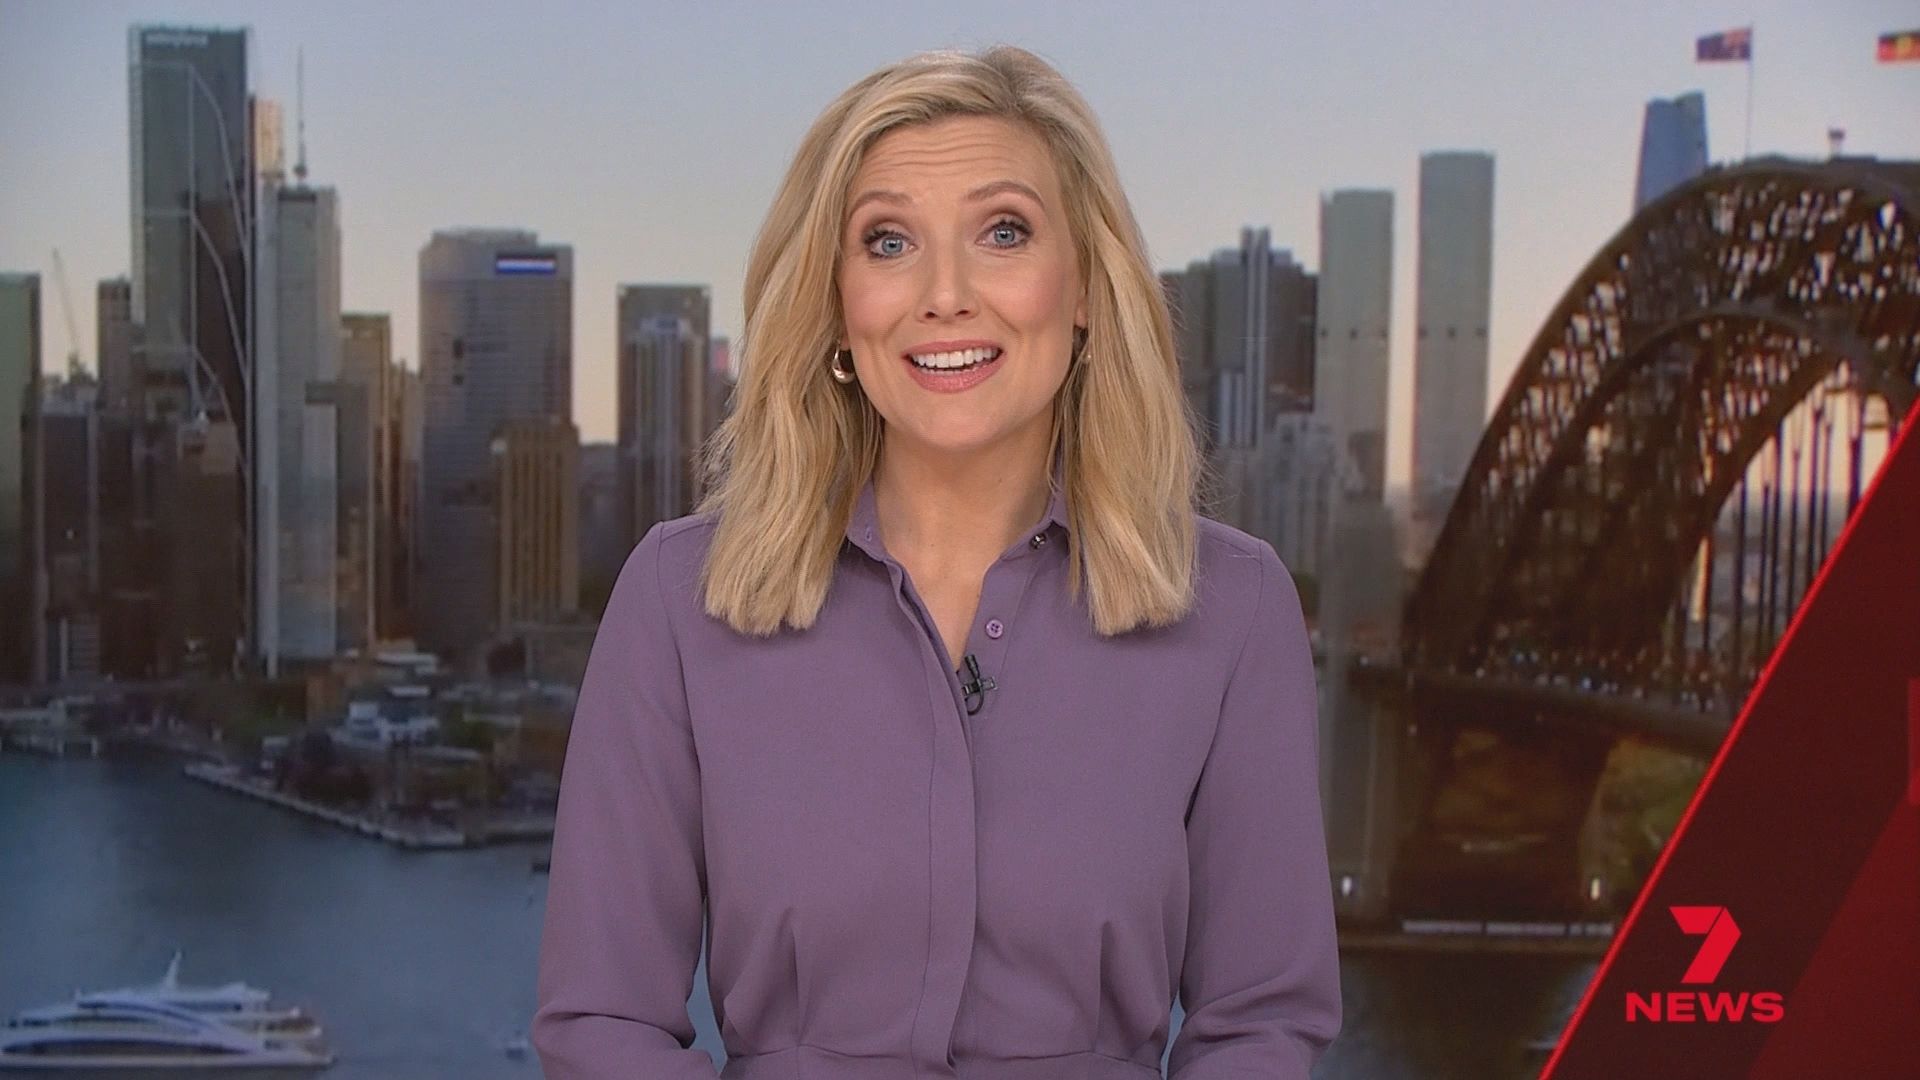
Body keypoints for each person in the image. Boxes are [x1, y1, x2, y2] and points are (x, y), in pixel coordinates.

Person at [533, 44, 1340, 1079]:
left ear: (1085, 288)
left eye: (1004, 232)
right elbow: (602, 1025)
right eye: (889, 241)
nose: (945, 294)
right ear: (836, 303)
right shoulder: (676, 602)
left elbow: (1261, 1025)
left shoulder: (1235, 610)